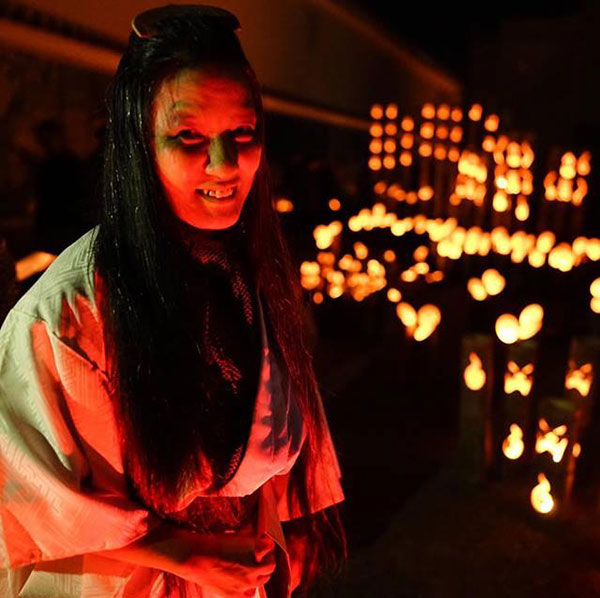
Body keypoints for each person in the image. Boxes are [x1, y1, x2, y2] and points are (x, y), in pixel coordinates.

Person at [0, 5, 347, 598]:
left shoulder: (250, 274)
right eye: (189, 137)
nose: (225, 165)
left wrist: (290, 523)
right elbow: (22, 492)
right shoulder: (66, 314)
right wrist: (183, 551)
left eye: (243, 133)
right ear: (139, 145)